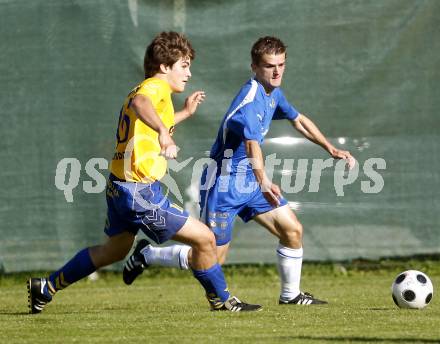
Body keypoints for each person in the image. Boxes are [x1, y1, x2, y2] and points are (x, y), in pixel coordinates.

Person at [27, 31, 262, 314]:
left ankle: (46, 287)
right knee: (206, 238)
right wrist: (165, 132)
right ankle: (222, 300)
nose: (189, 73)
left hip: (119, 186)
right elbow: (142, 104)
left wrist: (182, 115)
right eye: (184, 65)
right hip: (139, 191)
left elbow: (144, 117)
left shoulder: (147, 90)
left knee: (112, 252)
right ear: (164, 67)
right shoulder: (154, 88)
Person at [122, 36, 355, 305]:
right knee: (211, 257)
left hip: (251, 182)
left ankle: (291, 295)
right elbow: (251, 143)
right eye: (270, 66)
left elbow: (299, 120)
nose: (277, 71)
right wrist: (265, 181)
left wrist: (331, 148)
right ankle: (148, 254)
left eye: (281, 64)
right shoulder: (251, 99)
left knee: (292, 230)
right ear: (254, 67)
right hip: (224, 185)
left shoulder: (273, 93)